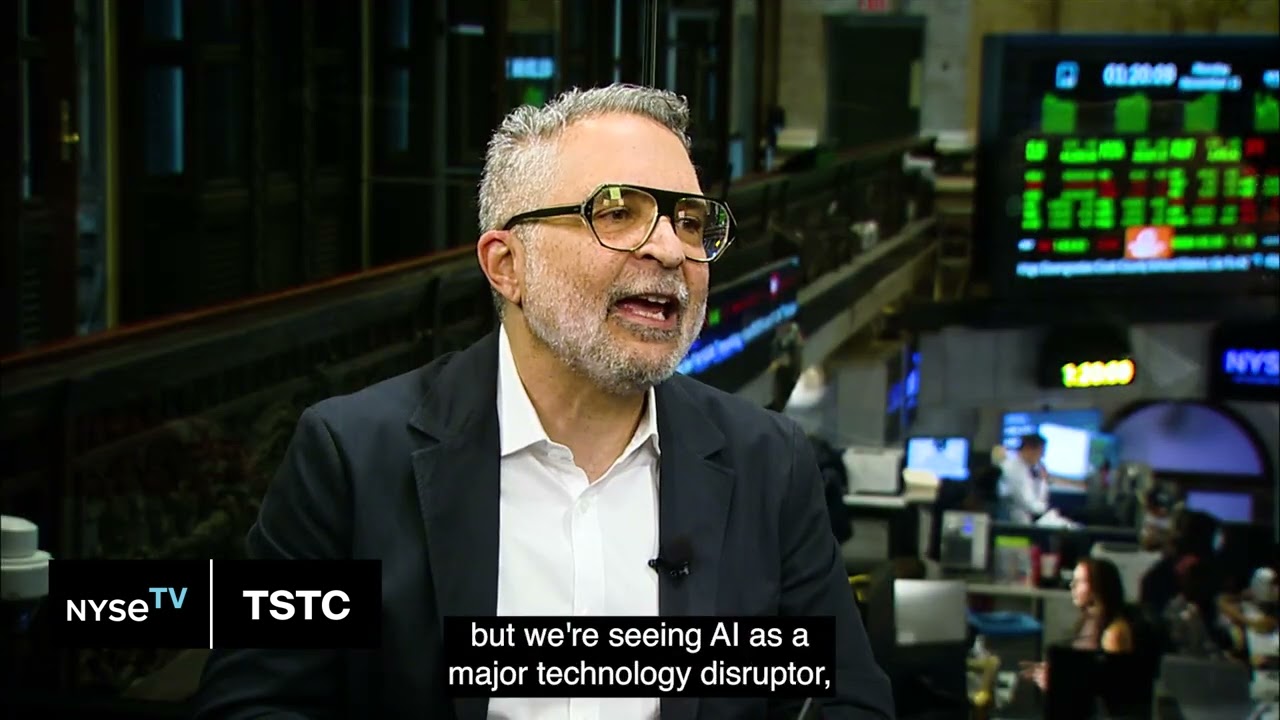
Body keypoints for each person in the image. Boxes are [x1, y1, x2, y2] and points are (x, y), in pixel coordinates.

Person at [192, 84, 893, 720]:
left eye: (689, 221)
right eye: (617, 212)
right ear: (507, 265)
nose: (670, 250)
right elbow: (254, 704)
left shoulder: (770, 462)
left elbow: (849, 700)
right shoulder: (352, 459)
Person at [1021, 557, 1134, 691]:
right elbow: (1086, 669)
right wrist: (1057, 671)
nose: (1072, 585)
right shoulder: (1088, 620)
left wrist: (1057, 682)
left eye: (1080, 581)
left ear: (1098, 586)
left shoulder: (1115, 632)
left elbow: (1110, 688)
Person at [998, 434, 1052, 524]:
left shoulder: (1033, 467)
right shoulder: (1013, 468)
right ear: (1028, 449)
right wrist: (1044, 508)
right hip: (1013, 519)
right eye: (1040, 452)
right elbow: (1027, 502)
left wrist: (1043, 481)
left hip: (1028, 517)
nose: (1042, 456)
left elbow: (1041, 498)